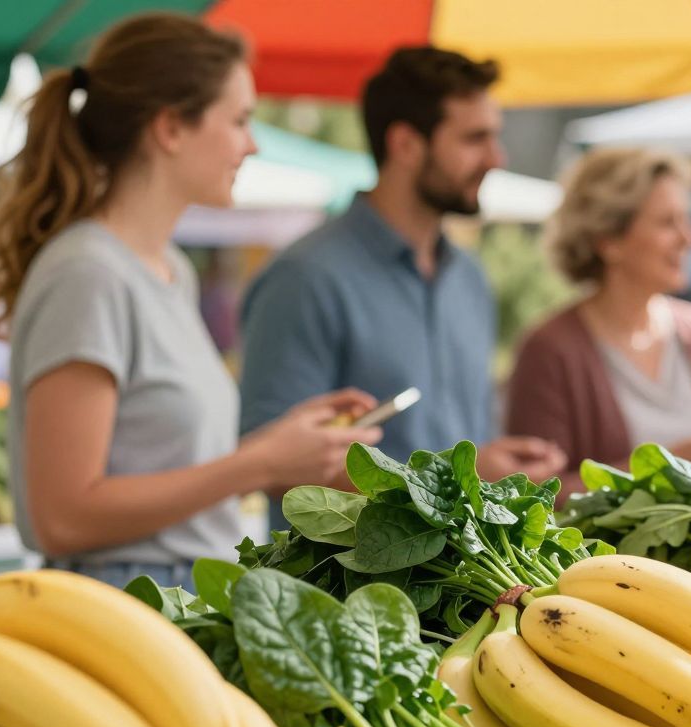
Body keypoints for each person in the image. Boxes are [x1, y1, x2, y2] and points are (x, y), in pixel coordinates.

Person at [0, 14, 378, 590]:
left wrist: (274, 448)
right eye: (240, 119)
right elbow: (62, 516)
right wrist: (256, 465)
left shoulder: (166, 273)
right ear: (170, 128)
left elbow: (166, 474)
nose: (253, 142)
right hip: (118, 606)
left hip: (176, 599)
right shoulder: (89, 274)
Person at [239, 47, 564, 528]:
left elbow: (472, 445)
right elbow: (276, 472)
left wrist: (498, 471)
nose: (497, 157)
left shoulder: (470, 279)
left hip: (463, 590)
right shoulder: (305, 278)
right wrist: (464, 478)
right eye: (475, 138)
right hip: (341, 595)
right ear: (406, 144)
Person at [505, 148, 691, 476]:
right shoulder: (549, 349)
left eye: (686, 219)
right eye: (668, 222)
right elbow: (533, 495)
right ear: (608, 240)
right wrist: (660, 470)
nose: (689, 238)